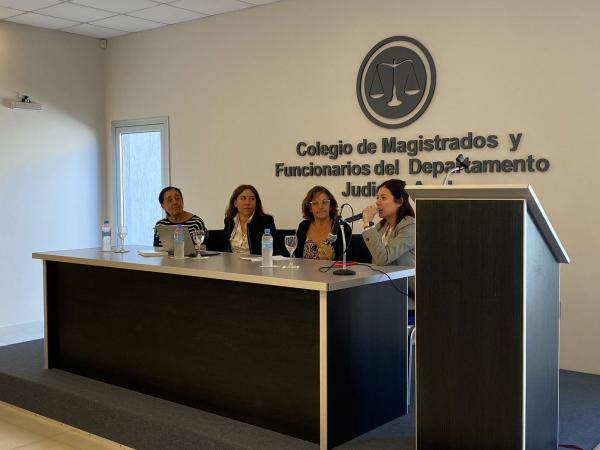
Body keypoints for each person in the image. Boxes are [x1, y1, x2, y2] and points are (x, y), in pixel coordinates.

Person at [361, 178, 415, 300]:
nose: (377, 203)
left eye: (383, 198)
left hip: (406, 296)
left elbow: (383, 258)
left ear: (399, 201)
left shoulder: (410, 226)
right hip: (383, 290)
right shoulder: (382, 226)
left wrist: (368, 224)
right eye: (377, 198)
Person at [295, 186, 351, 261]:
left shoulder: (342, 228)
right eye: (315, 203)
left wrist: (332, 259)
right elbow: (297, 259)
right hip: (305, 269)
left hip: (333, 269)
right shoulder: (303, 226)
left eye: (324, 202)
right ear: (310, 208)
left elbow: (348, 261)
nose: (320, 207)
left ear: (330, 206)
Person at [224, 184, 277, 255]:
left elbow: (273, 249)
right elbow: (225, 248)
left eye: (252, 199)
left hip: (257, 261)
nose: (247, 203)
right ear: (235, 203)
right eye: (243, 198)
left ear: (256, 204)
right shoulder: (229, 221)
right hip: (232, 261)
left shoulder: (266, 221)